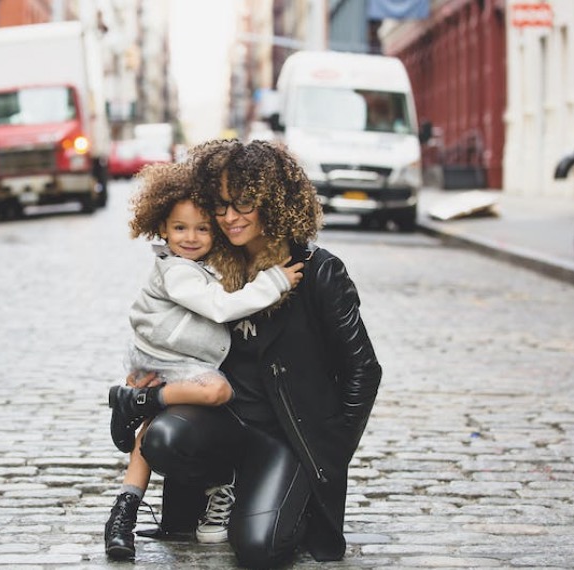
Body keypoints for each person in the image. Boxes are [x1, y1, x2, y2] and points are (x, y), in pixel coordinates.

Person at [136, 139, 383, 568]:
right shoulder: (210, 265)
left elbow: (364, 369)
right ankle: (224, 486)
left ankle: (286, 495)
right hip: (225, 422)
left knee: (258, 549)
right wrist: (150, 375)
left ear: (273, 201)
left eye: (245, 203)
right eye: (222, 205)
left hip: (286, 435)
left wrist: (329, 452)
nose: (230, 217)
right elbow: (167, 328)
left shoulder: (318, 271)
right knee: (163, 440)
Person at [104, 161, 304, 560]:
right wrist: (275, 282)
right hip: (170, 357)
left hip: (169, 355)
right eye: (180, 228)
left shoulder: (201, 265)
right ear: (162, 228)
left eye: (202, 228)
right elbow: (218, 307)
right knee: (217, 390)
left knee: (150, 429)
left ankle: (122, 511)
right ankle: (142, 403)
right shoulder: (177, 271)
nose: (192, 237)